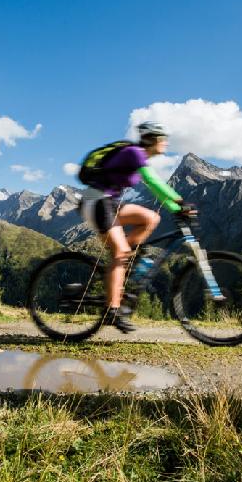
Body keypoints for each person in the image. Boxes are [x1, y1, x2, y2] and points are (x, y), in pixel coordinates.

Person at [78, 122, 194, 333]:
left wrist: (176, 210)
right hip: (96, 201)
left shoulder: (140, 158)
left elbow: (154, 189)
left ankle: (124, 260)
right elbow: (154, 180)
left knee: (151, 219)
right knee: (120, 252)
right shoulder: (134, 152)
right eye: (162, 138)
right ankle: (111, 310)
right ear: (152, 139)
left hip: (109, 203)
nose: (166, 142)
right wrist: (180, 200)